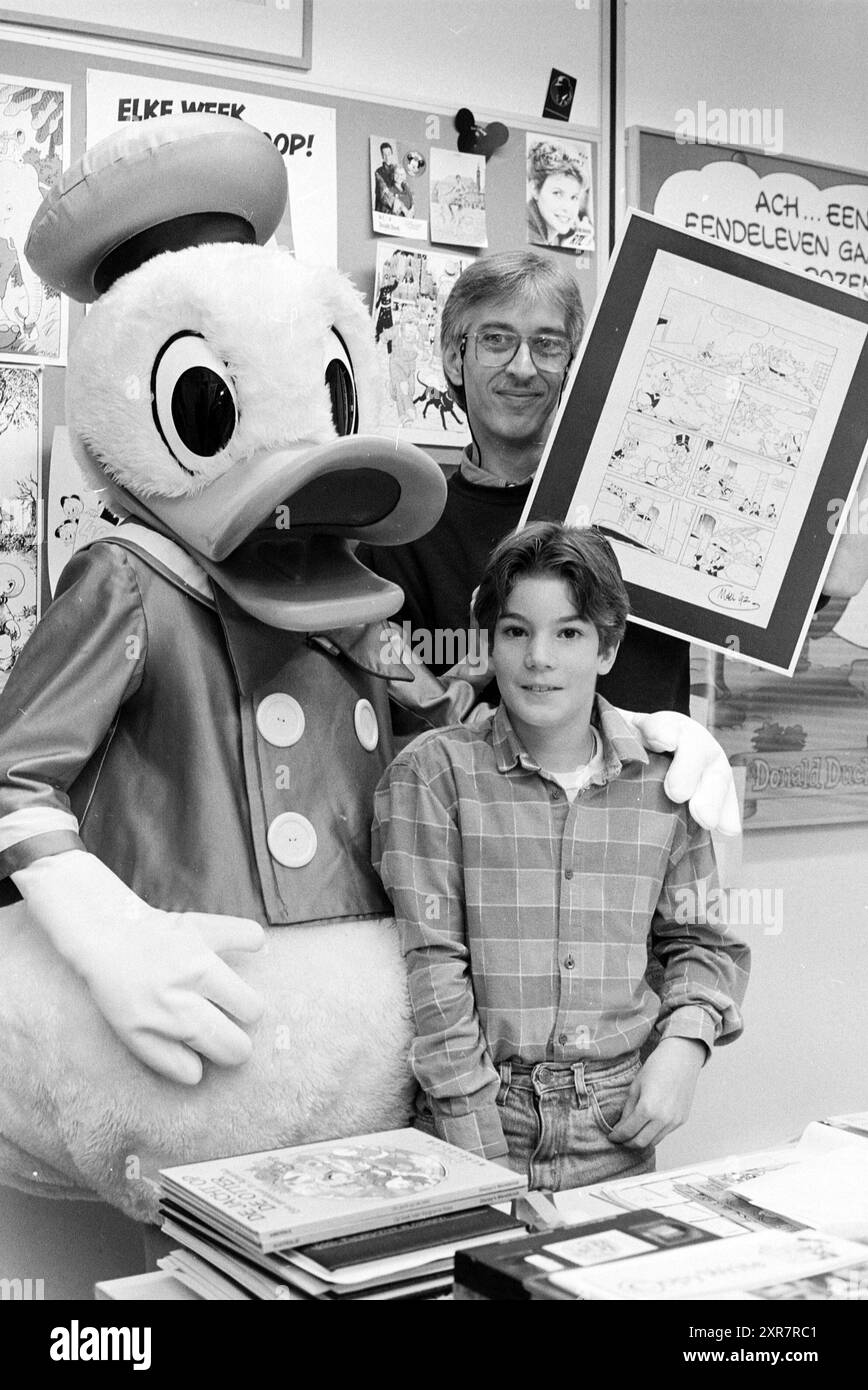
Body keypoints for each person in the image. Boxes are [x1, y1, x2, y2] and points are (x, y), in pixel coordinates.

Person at [372, 522, 751, 1189]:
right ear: (490, 643)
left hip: (616, 1119)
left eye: (569, 633)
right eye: (517, 632)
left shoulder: (667, 779)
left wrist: (686, 1046)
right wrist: (477, 1145)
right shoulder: (433, 774)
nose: (539, 658)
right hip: (475, 1113)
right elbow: (434, 970)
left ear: (608, 648)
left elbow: (702, 941)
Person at [358, 249, 868, 720]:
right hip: (493, 815)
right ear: (453, 358)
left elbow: (801, 589)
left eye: (548, 344)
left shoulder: (641, 494)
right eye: (496, 340)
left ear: (573, 364)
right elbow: (409, 720)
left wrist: (832, 520)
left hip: (649, 802)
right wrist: (480, 655)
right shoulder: (409, 533)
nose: (522, 366)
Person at [526, 141, 591, 251]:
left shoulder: (548, 235)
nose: (567, 207)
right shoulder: (531, 235)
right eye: (557, 193)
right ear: (535, 189)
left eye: (574, 197)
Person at [373, 141, 400, 215]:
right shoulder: (378, 172)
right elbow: (382, 193)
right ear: (382, 156)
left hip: (396, 207)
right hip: (383, 209)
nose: (387, 157)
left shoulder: (397, 169)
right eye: (384, 155)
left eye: (388, 154)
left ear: (392, 154)